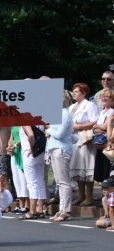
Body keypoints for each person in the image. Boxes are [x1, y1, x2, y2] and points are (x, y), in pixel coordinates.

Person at [45, 90, 75, 221]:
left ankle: (66, 210)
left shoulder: (64, 114)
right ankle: (62, 209)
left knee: (64, 181)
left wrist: (49, 130)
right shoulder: (59, 114)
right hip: (55, 148)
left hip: (61, 149)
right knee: (59, 181)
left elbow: (60, 134)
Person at [69, 83, 98, 206]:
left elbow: (95, 121)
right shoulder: (72, 107)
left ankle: (89, 196)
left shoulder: (90, 105)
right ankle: (81, 196)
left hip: (85, 140)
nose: (74, 93)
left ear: (84, 93)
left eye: (77, 91)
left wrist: (79, 126)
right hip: (74, 140)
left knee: (87, 168)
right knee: (78, 168)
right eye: (73, 91)